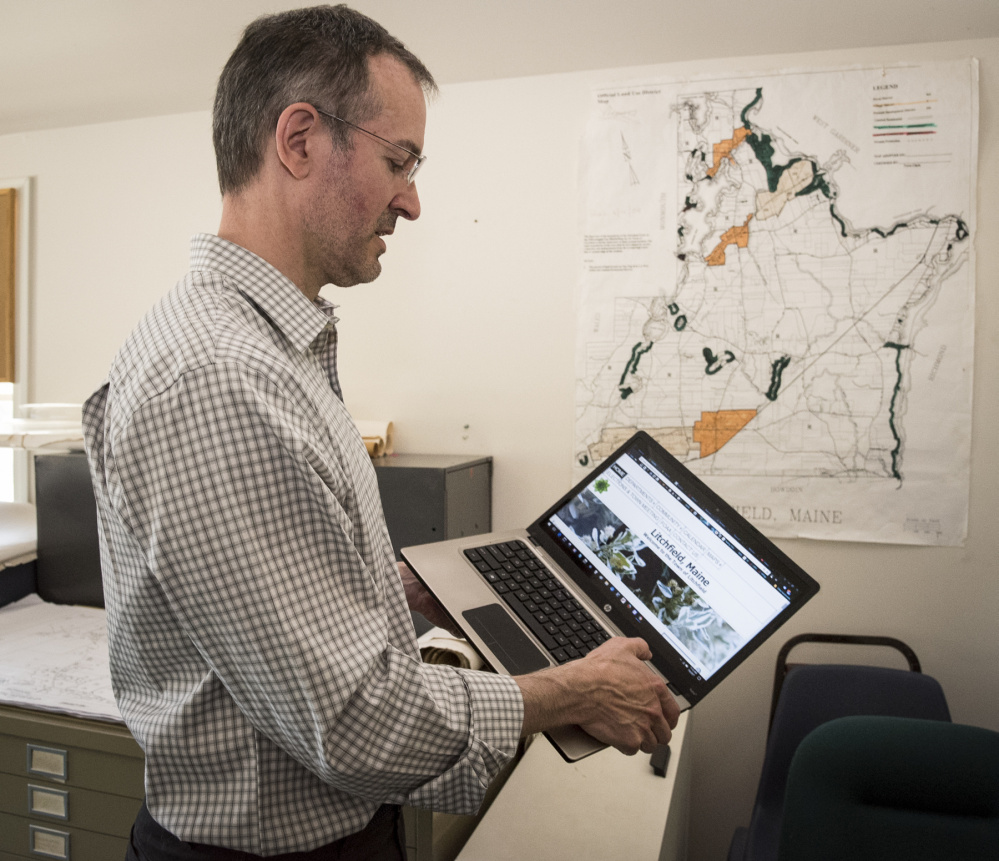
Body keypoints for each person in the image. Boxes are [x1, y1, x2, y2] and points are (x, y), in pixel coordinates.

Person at [82, 6, 679, 859]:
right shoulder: (218, 378)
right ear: (298, 141)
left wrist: (395, 594)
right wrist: (569, 690)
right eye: (398, 161)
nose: (412, 200)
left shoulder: (264, 349)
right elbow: (356, 724)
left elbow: (257, 613)